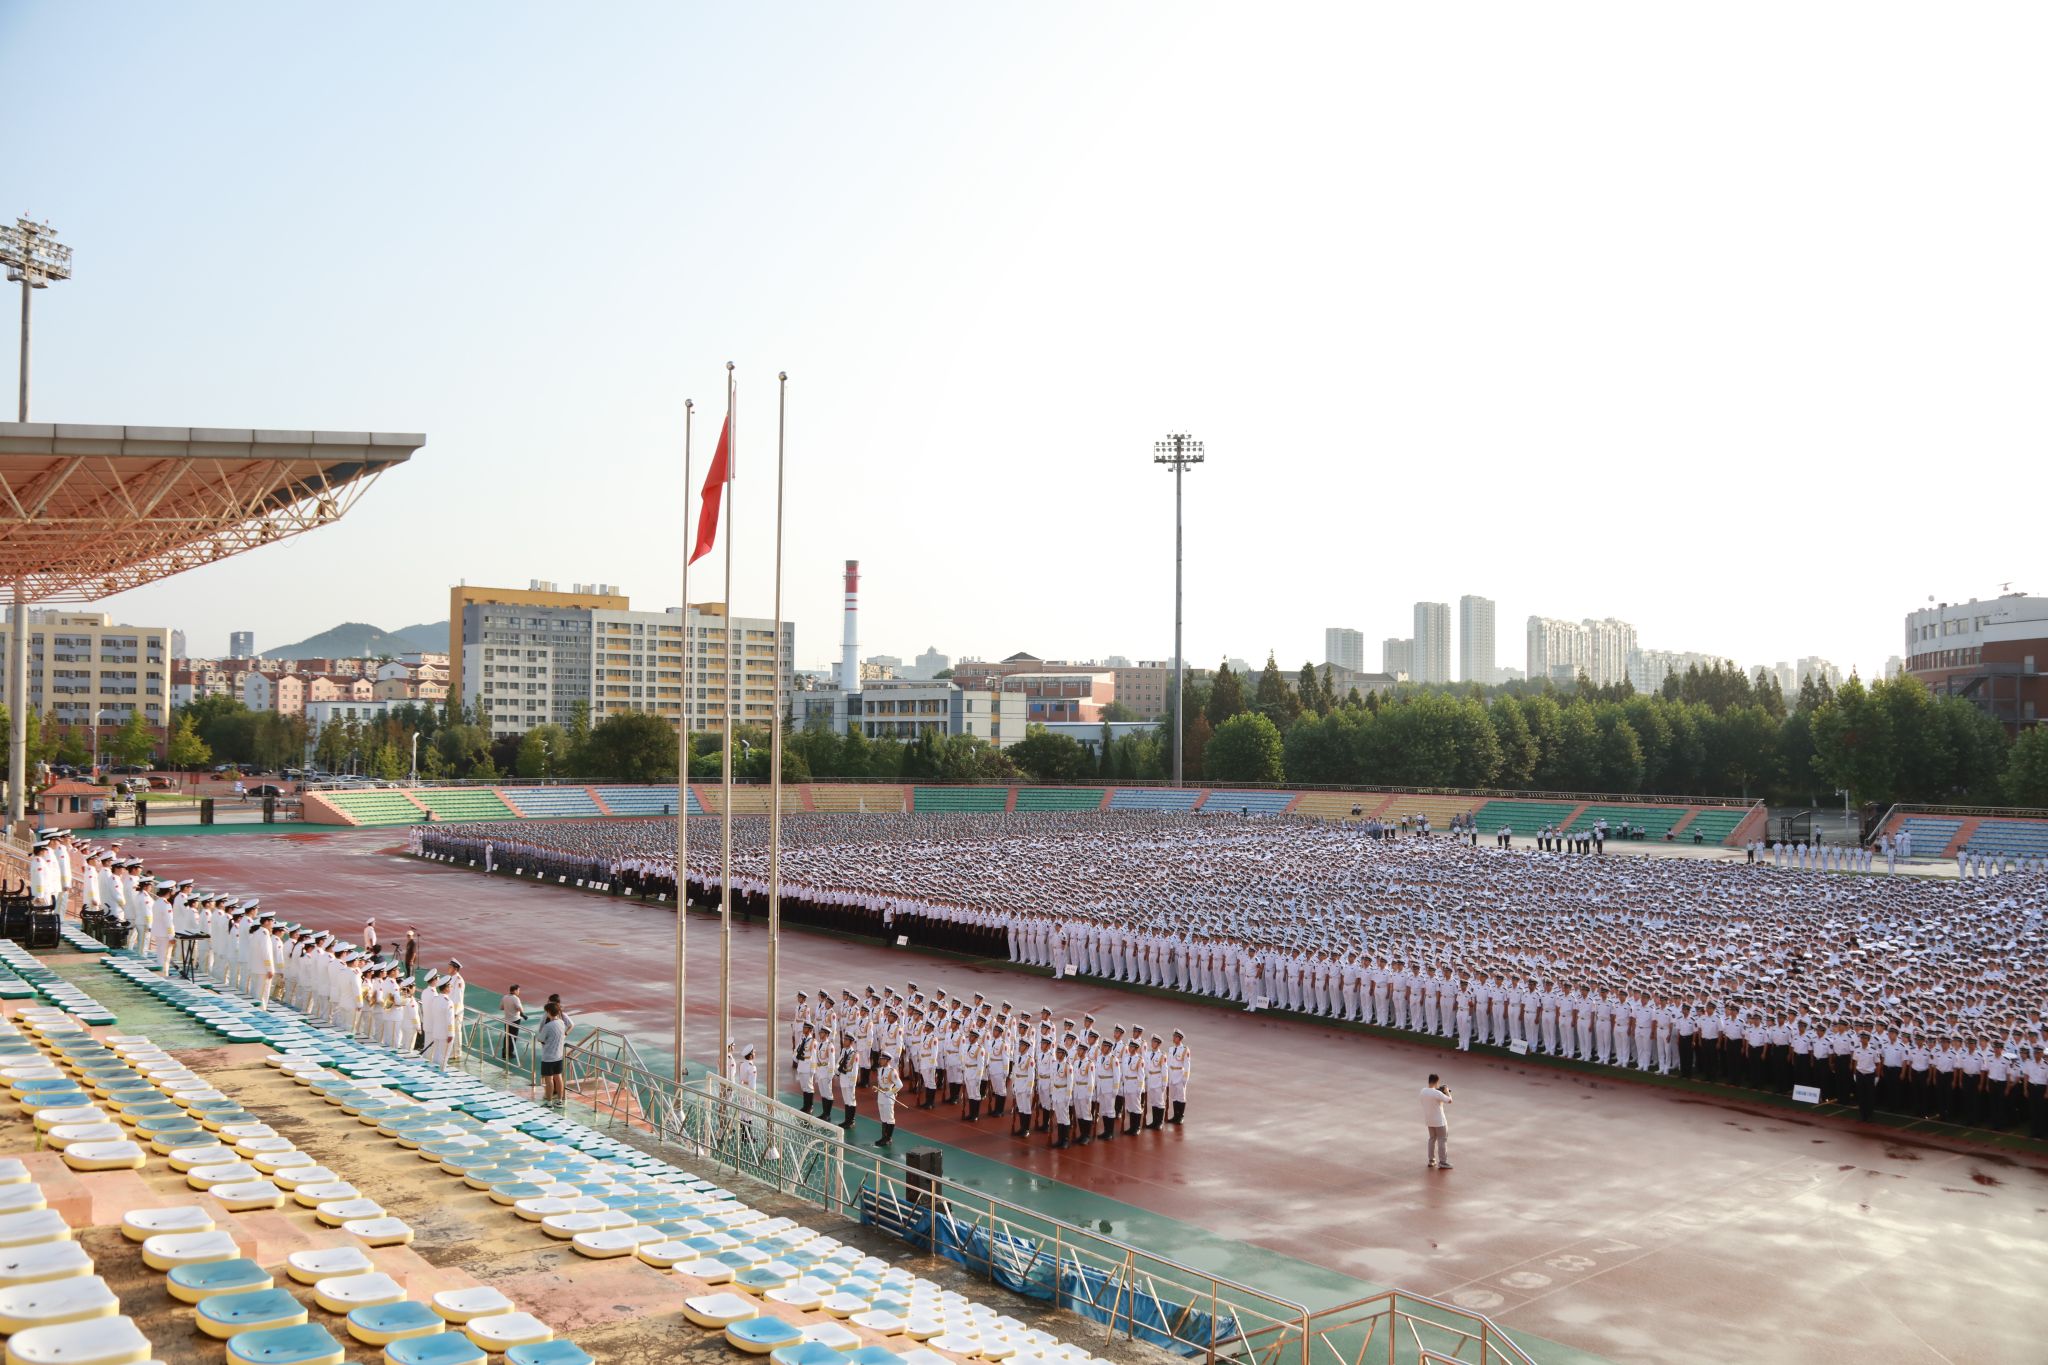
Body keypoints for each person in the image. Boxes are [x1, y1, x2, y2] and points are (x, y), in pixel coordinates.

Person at [537, 1001, 568, 1106]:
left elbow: (540, 1038)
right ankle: (560, 1100)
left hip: (548, 1057)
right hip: (559, 1056)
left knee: (549, 1079)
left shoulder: (548, 1026)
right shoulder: (561, 1023)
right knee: (558, 1077)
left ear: (549, 1012)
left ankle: (549, 1102)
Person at [1422, 1073, 1453, 1170]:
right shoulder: (1437, 1093)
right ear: (1437, 1082)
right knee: (1442, 1140)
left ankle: (1431, 1160)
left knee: (1432, 1139)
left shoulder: (1423, 1091)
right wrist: (1447, 1091)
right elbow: (1450, 1100)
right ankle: (1443, 1162)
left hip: (1429, 1120)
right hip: (1440, 1121)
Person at [501, 984, 524, 1061]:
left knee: (507, 1036)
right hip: (515, 1020)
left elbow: (501, 1007)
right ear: (515, 990)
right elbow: (520, 1009)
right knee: (513, 1037)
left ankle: (504, 1052)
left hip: (507, 1019)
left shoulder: (505, 997)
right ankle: (510, 1053)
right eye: (518, 990)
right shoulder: (516, 999)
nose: (519, 992)